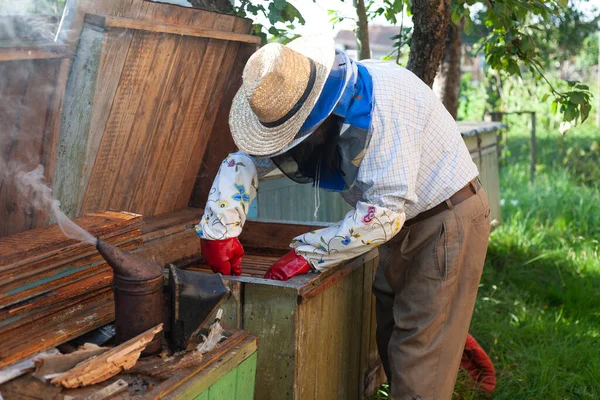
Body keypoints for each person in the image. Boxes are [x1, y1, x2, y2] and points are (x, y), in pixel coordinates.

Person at [195, 35, 493, 399]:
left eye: (294, 138)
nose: (289, 149)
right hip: (405, 224)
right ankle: (442, 335)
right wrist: (219, 229)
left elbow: (384, 213)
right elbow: (248, 160)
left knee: (417, 365)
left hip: (445, 220)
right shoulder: (297, 97)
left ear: (320, 115)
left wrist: (307, 253)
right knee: (393, 336)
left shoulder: (386, 105)